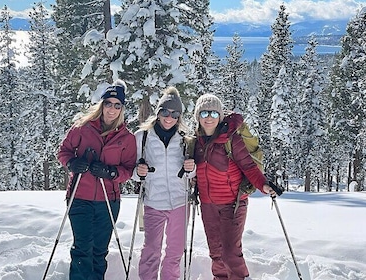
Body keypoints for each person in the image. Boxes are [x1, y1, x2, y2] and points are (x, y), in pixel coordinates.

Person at [57, 79, 137, 280]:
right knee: (83, 249)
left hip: (108, 201)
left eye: (117, 105)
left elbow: (128, 170)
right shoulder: (82, 127)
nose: (112, 109)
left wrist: (110, 173)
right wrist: (73, 163)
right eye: (108, 103)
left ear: (122, 108)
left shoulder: (126, 137)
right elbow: (63, 151)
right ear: (102, 104)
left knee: (99, 251)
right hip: (80, 197)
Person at [193, 94, 275, 280]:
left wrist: (264, 185)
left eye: (214, 113)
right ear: (197, 116)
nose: (209, 117)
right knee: (216, 253)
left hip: (233, 204)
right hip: (208, 206)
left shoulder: (231, 139)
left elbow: (248, 166)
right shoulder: (194, 142)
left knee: (230, 253)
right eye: (204, 113)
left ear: (221, 116)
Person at [133, 86, 196, 280]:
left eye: (175, 114)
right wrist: (138, 172)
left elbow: (193, 173)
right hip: (153, 202)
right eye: (165, 112)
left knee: (175, 252)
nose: (169, 118)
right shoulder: (141, 137)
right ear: (158, 112)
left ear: (179, 117)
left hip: (180, 201)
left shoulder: (186, 140)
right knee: (151, 250)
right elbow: (132, 171)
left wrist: (191, 169)